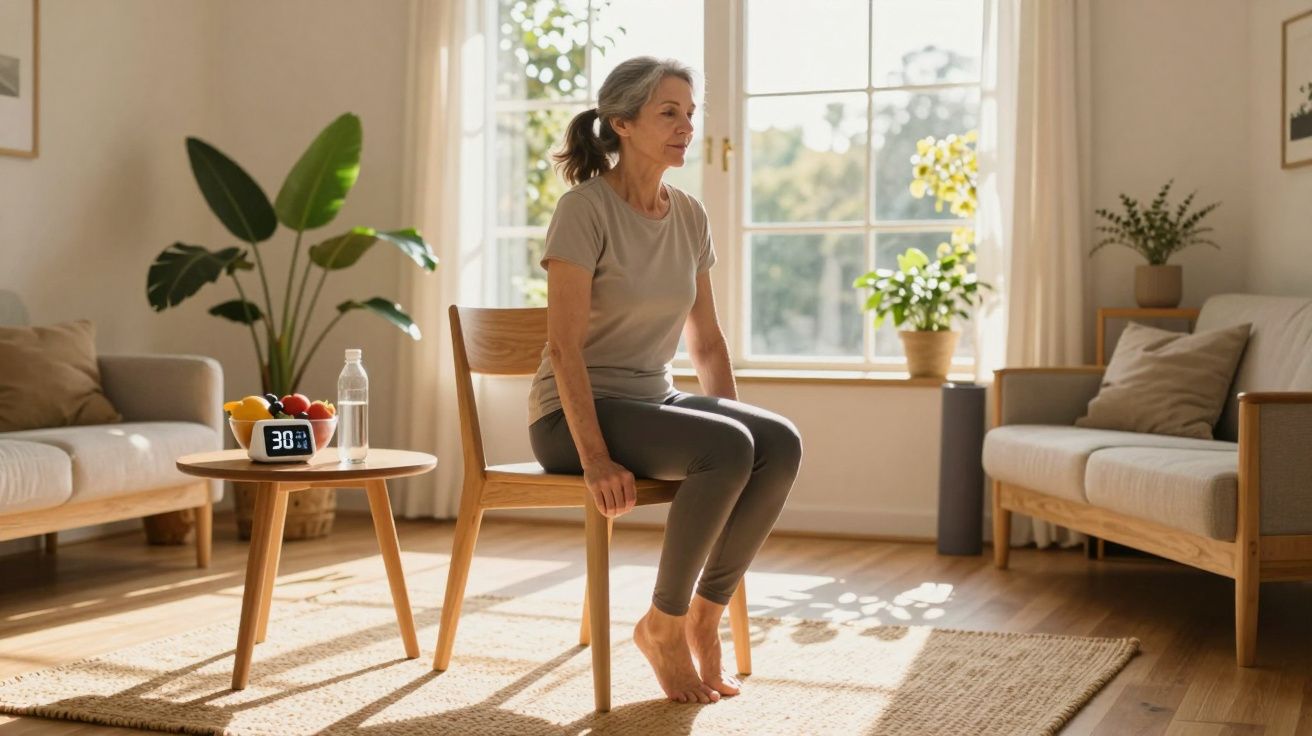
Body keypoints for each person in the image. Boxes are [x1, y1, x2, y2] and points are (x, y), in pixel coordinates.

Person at [526, 56, 804, 705]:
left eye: (690, 113)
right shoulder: (584, 210)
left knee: (778, 443)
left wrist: (738, 428)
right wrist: (595, 459)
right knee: (725, 449)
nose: (687, 127)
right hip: (571, 417)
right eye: (669, 113)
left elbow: (705, 341)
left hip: (652, 400)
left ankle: (702, 617)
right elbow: (563, 348)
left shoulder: (689, 215)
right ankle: (663, 627)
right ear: (622, 123)